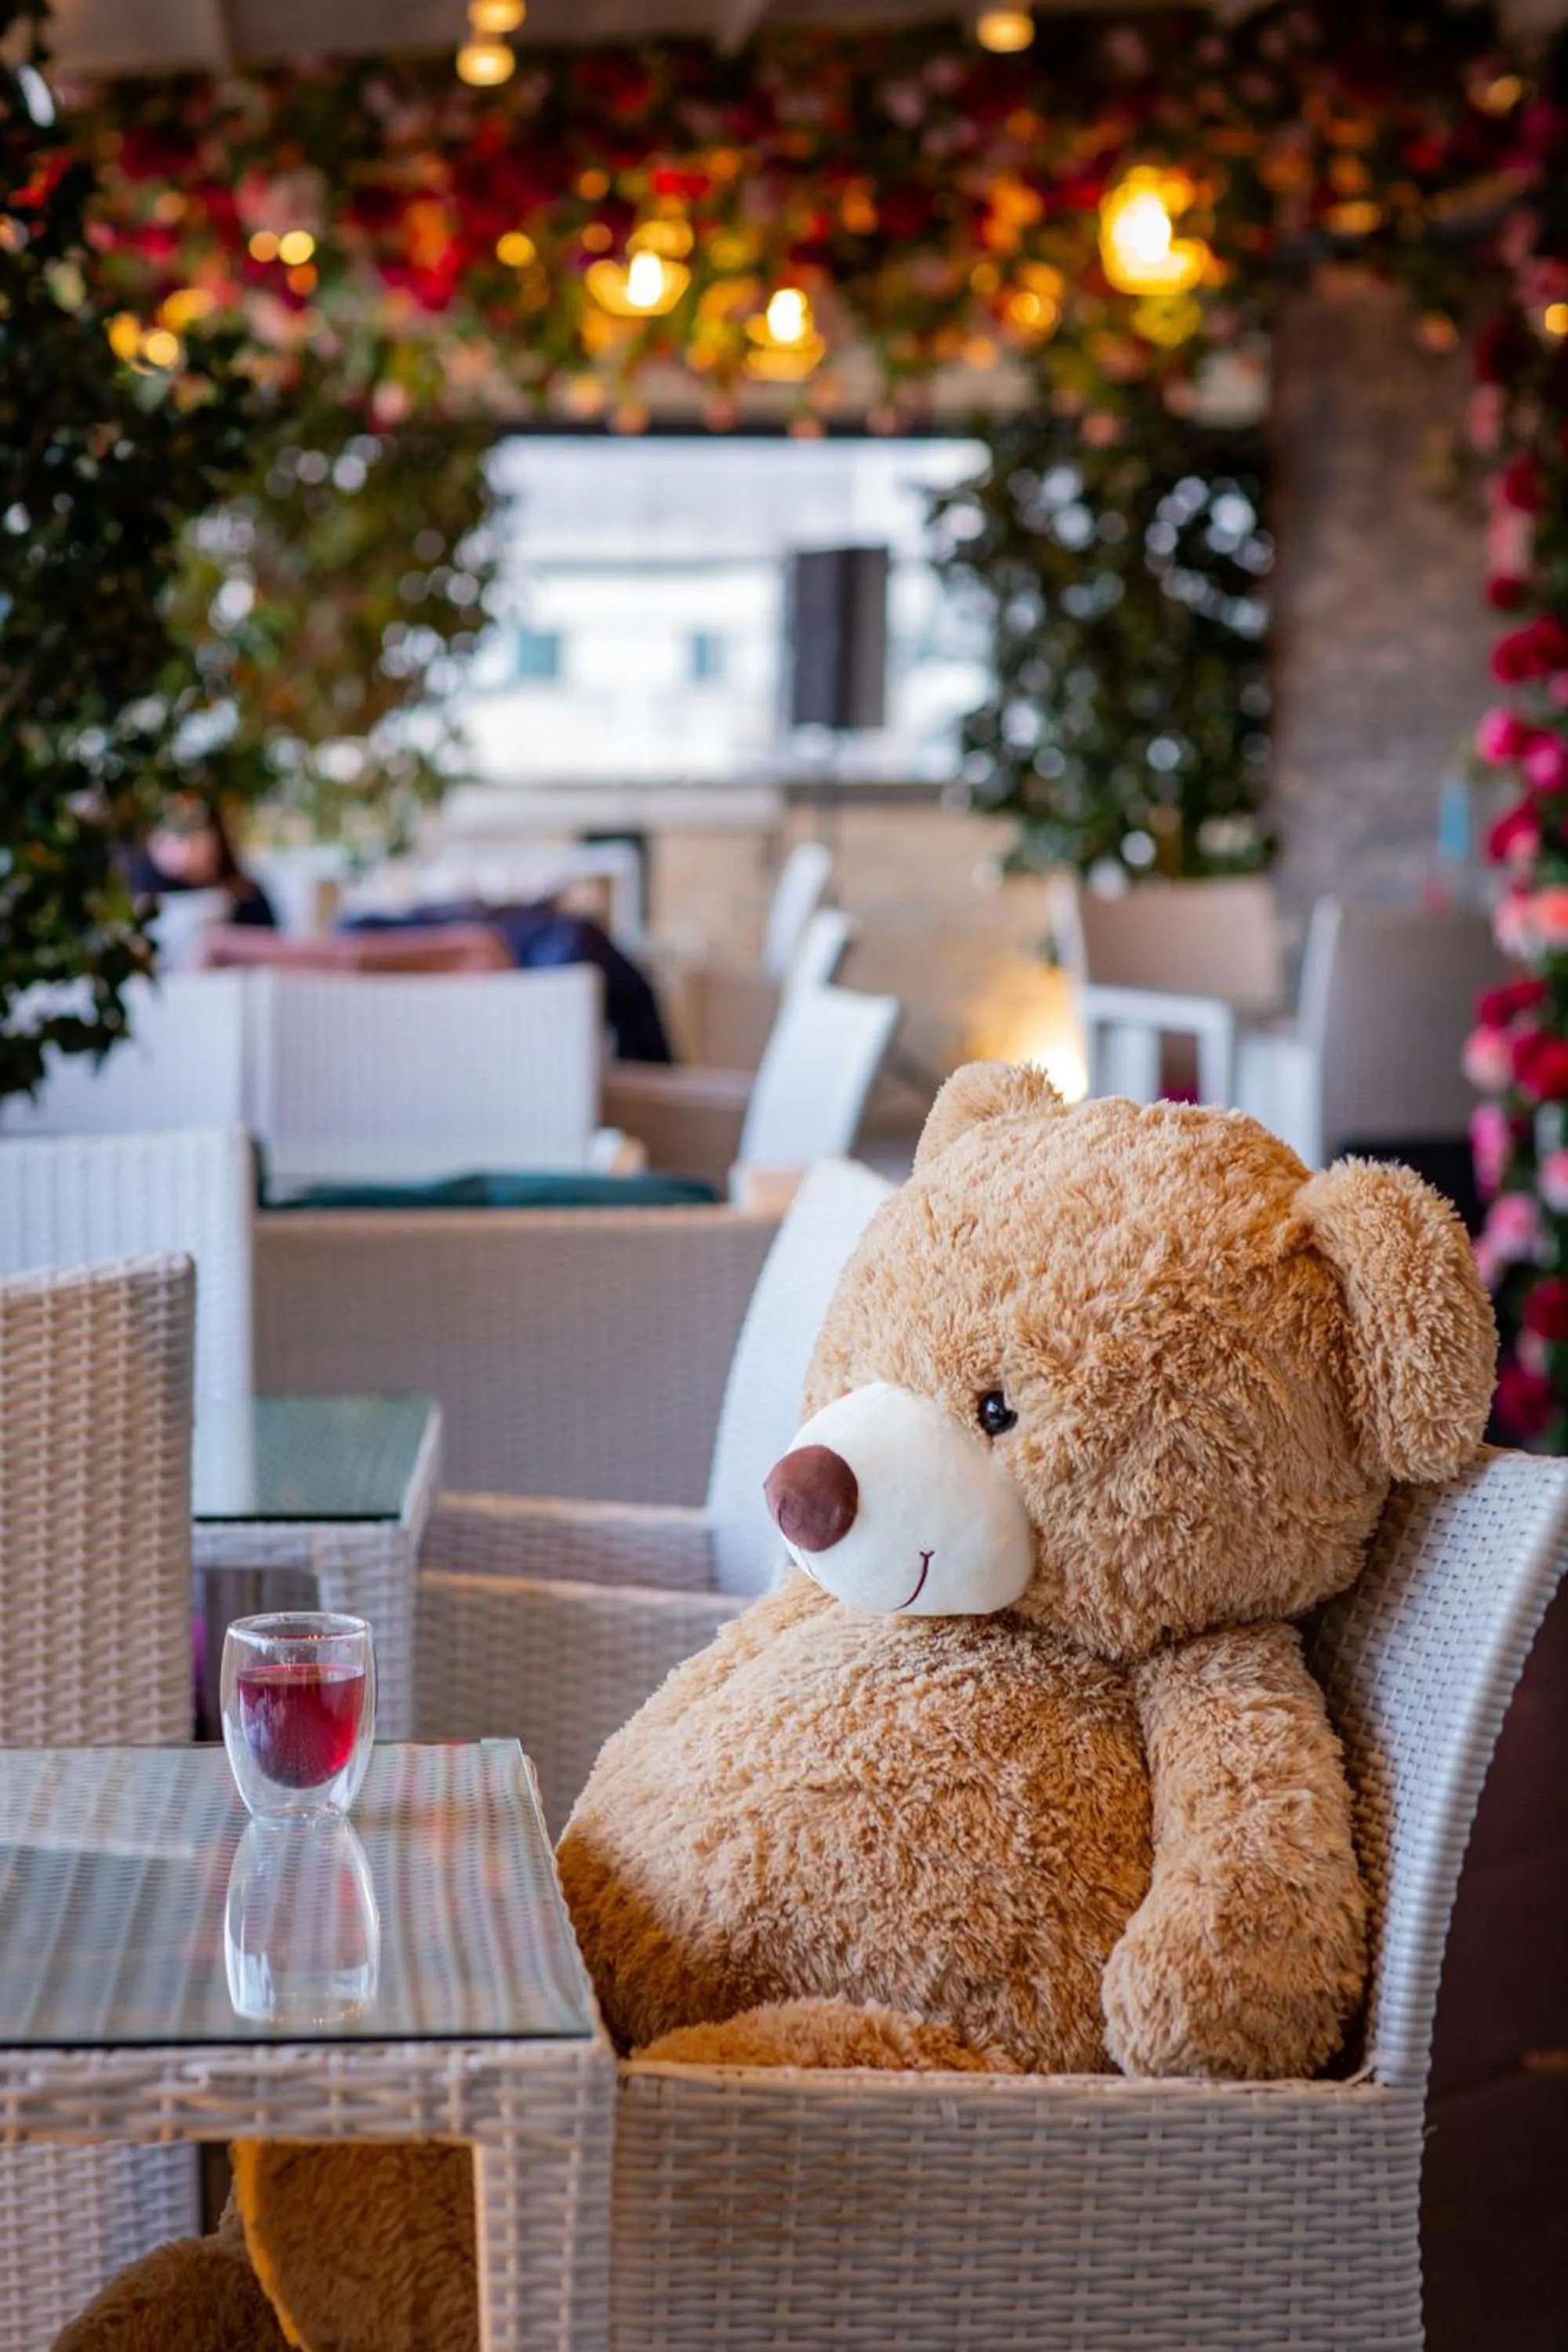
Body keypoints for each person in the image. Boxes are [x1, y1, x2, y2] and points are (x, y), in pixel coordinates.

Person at [127, 793, 278, 929]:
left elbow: (271, 940)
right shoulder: (148, 888)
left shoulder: (247, 894)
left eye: (196, 829)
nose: (189, 844)